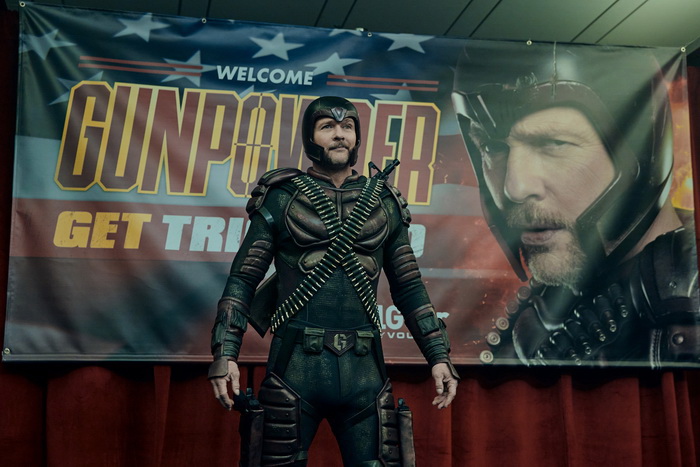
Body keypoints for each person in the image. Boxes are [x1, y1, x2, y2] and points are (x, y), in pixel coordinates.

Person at [208, 96, 459, 466]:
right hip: (295, 365)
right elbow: (243, 278)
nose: (340, 135)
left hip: (365, 370)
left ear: (357, 137)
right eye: (327, 126)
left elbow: (409, 287)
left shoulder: (384, 202)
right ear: (310, 138)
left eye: (347, 127)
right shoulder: (281, 197)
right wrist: (225, 353)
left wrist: (438, 356)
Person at [451, 42, 700, 367]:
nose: (515, 188)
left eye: (554, 143)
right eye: (492, 148)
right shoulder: (539, 318)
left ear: (640, 150)